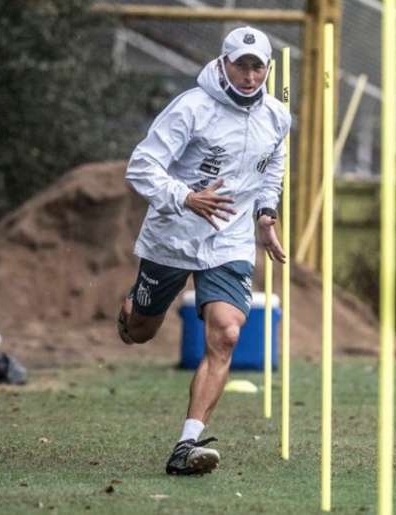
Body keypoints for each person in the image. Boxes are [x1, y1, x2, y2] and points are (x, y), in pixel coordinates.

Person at [117, 26, 290, 476]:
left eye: (258, 66)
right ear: (223, 62)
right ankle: (134, 306)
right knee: (140, 332)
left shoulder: (277, 116)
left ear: (268, 69)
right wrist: (186, 197)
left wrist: (266, 215)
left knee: (227, 333)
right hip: (173, 235)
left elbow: (272, 167)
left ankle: (186, 445)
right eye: (241, 65)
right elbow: (141, 167)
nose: (250, 75)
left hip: (229, 241)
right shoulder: (192, 108)